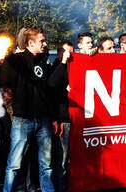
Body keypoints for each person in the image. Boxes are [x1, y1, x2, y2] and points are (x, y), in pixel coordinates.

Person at [2, 27, 55, 192]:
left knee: (46, 164)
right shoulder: (15, 60)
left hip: (43, 119)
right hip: (23, 119)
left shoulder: (43, 61)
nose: (45, 44)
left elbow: (50, 87)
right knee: (15, 164)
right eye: (41, 41)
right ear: (30, 43)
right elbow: (4, 84)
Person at [48, 41, 73, 192]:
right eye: (67, 53)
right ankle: (61, 187)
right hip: (63, 118)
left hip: (76, 118)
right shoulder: (56, 67)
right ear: (60, 53)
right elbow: (52, 85)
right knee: (62, 158)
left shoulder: (74, 66)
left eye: (72, 53)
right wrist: (63, 62)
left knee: (72, 158)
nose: (70, 56)